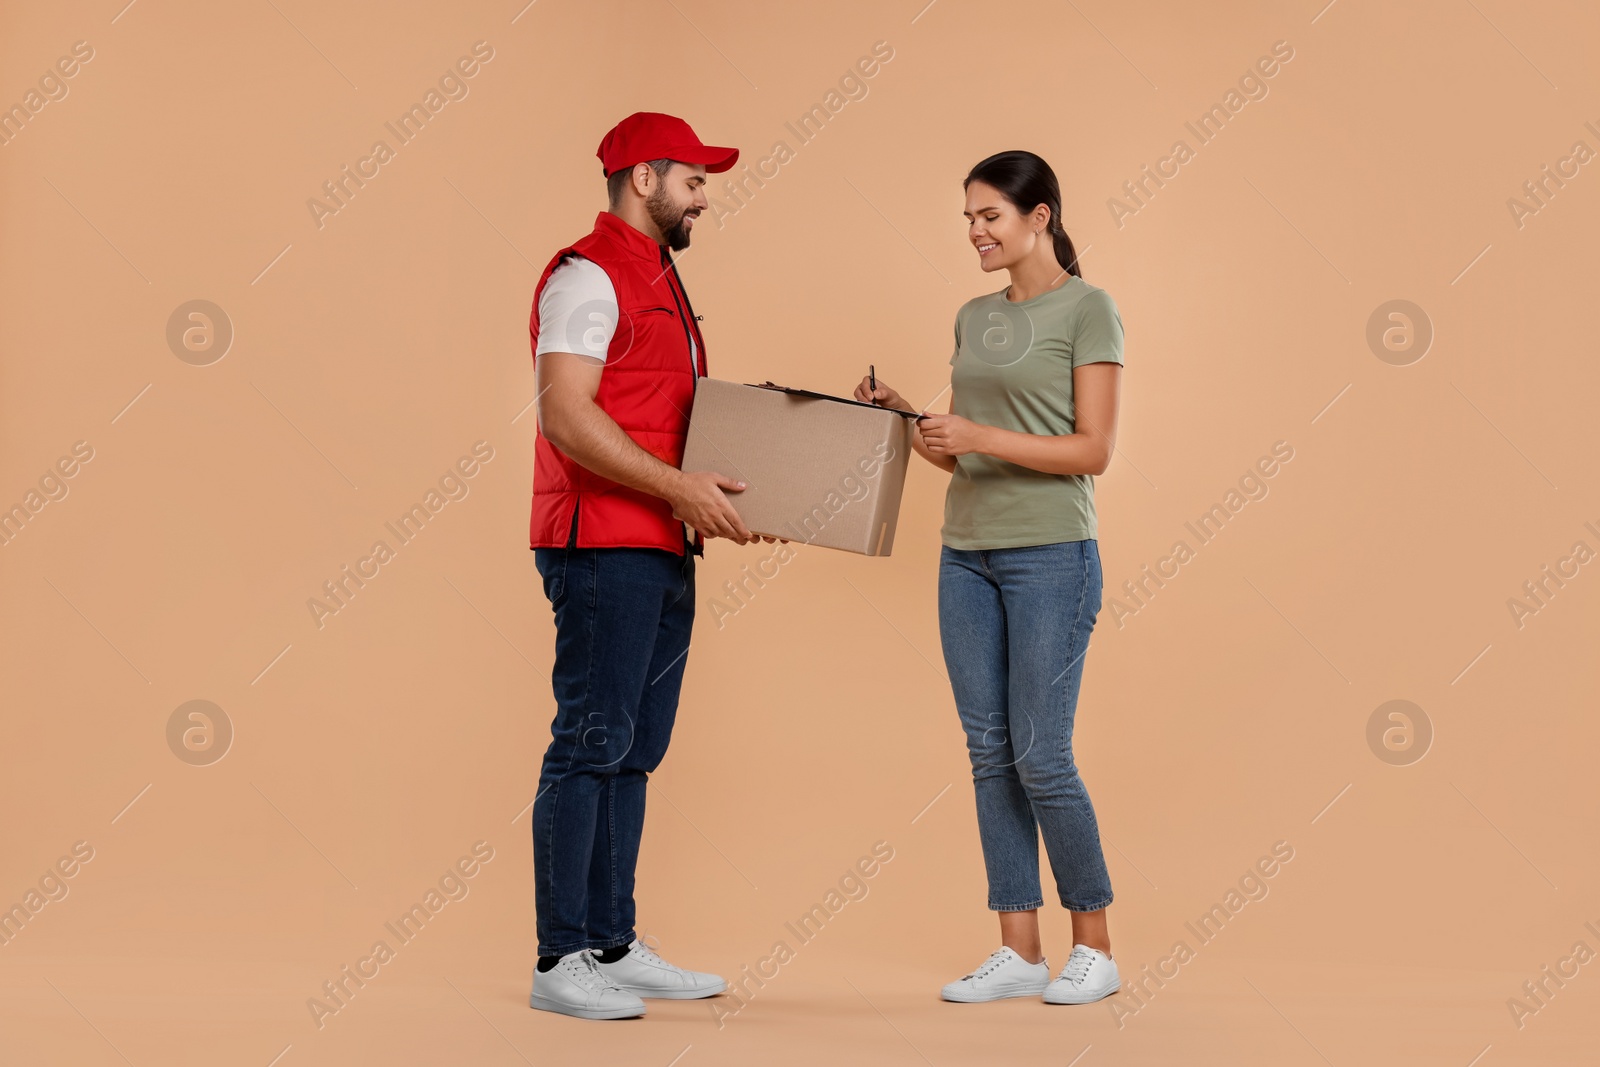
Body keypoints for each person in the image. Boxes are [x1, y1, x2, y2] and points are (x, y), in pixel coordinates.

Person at [855, 149, 1125, 1006]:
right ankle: (1018, 949)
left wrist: (975, 435)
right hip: (965, 554)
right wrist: (909, 419)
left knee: (1043, 753)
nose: (974, 230)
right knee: (989, 754)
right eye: (968, 217)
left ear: (1039, 216)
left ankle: (1096, 945)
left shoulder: (1091, 309)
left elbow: (1093, 451)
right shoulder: (975, 316)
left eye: (989, 216)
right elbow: (967, 455)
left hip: (1053, 557)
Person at [526, 111, 776, 1020]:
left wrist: (741, 495)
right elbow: (567, 414)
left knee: (632, 751)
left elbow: (662, 417)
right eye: (694, 180)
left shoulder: (660, 281)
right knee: (590, 743)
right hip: (601, 544)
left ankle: (610, 942)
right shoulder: (589, 277)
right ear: (644, 179)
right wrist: (679, 486)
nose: (703, 197)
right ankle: (561, 960)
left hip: (661, 541)